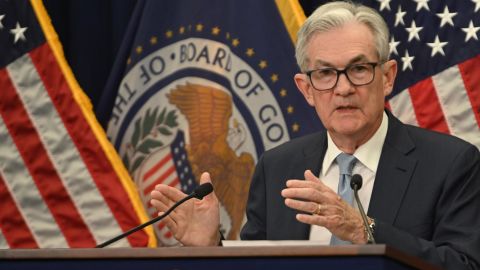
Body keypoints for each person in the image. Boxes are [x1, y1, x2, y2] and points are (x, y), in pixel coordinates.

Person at [150, 1, 480, 269]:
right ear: (306, 89)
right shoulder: (277, 166)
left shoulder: (451, 163)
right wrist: (212, 248)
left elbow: (464, 265)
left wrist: (363, 230)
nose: (344, 88)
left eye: (359, 69)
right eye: (325, 73)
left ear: (388, 77)